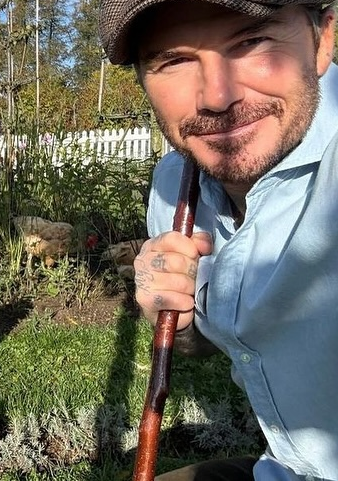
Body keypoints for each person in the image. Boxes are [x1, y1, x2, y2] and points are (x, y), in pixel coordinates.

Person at [99, 0, 338, 480]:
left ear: (323, 40)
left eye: (251, 41)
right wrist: (177, 321)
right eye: (174, 60)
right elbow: (209, 341)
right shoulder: (176, 184)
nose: (217, 96)